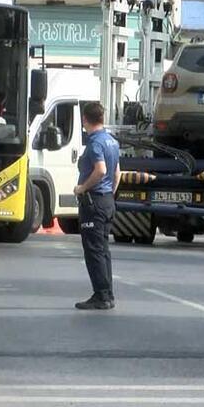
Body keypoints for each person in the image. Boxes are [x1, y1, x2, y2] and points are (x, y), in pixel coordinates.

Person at [74, 102, 121, 310]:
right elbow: (116, 172)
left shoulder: (94, 144)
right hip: (107, 200)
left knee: (93, 250)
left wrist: (83, 188)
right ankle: (107, 293)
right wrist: (110, 193)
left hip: (94, 201)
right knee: (103, 249)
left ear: (85, 119)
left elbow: (101, 170)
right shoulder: (112, 141)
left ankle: (101, 295)